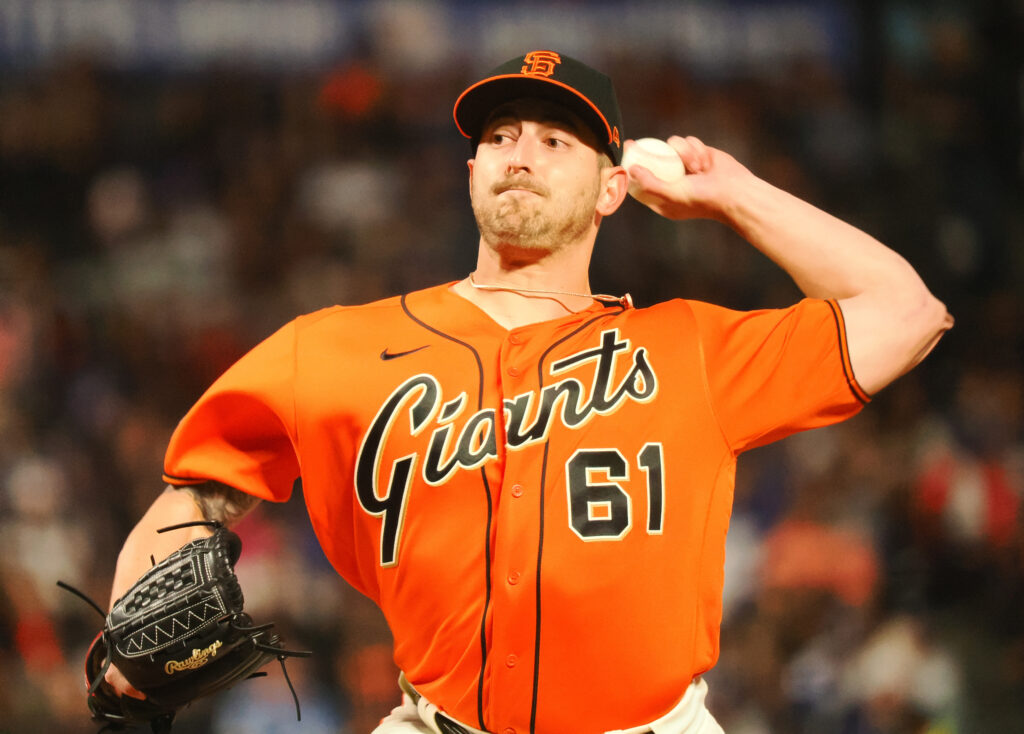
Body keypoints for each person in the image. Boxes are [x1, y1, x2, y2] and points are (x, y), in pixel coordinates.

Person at [102, 50, 952, 734]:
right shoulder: (335, 347)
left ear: (614, 187)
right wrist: (125, 652)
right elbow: (194, 496)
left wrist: (734, 197)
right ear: (472, 171)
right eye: (502, 135)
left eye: (557, 141)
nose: (521, 154)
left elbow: (907, 312)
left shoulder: (693, 347)